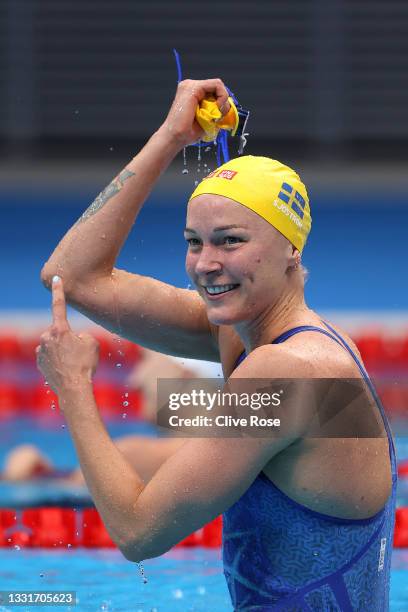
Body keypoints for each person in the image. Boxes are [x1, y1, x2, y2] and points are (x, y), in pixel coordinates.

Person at [37, 78, 397, 610]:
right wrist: (170, 137)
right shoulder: (247, 335)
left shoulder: (291, 373)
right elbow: (70, 275)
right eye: (194, 242)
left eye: (231, 241)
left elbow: (138, 533)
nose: (206, 264)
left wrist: (73, 389)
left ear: (290, 251)